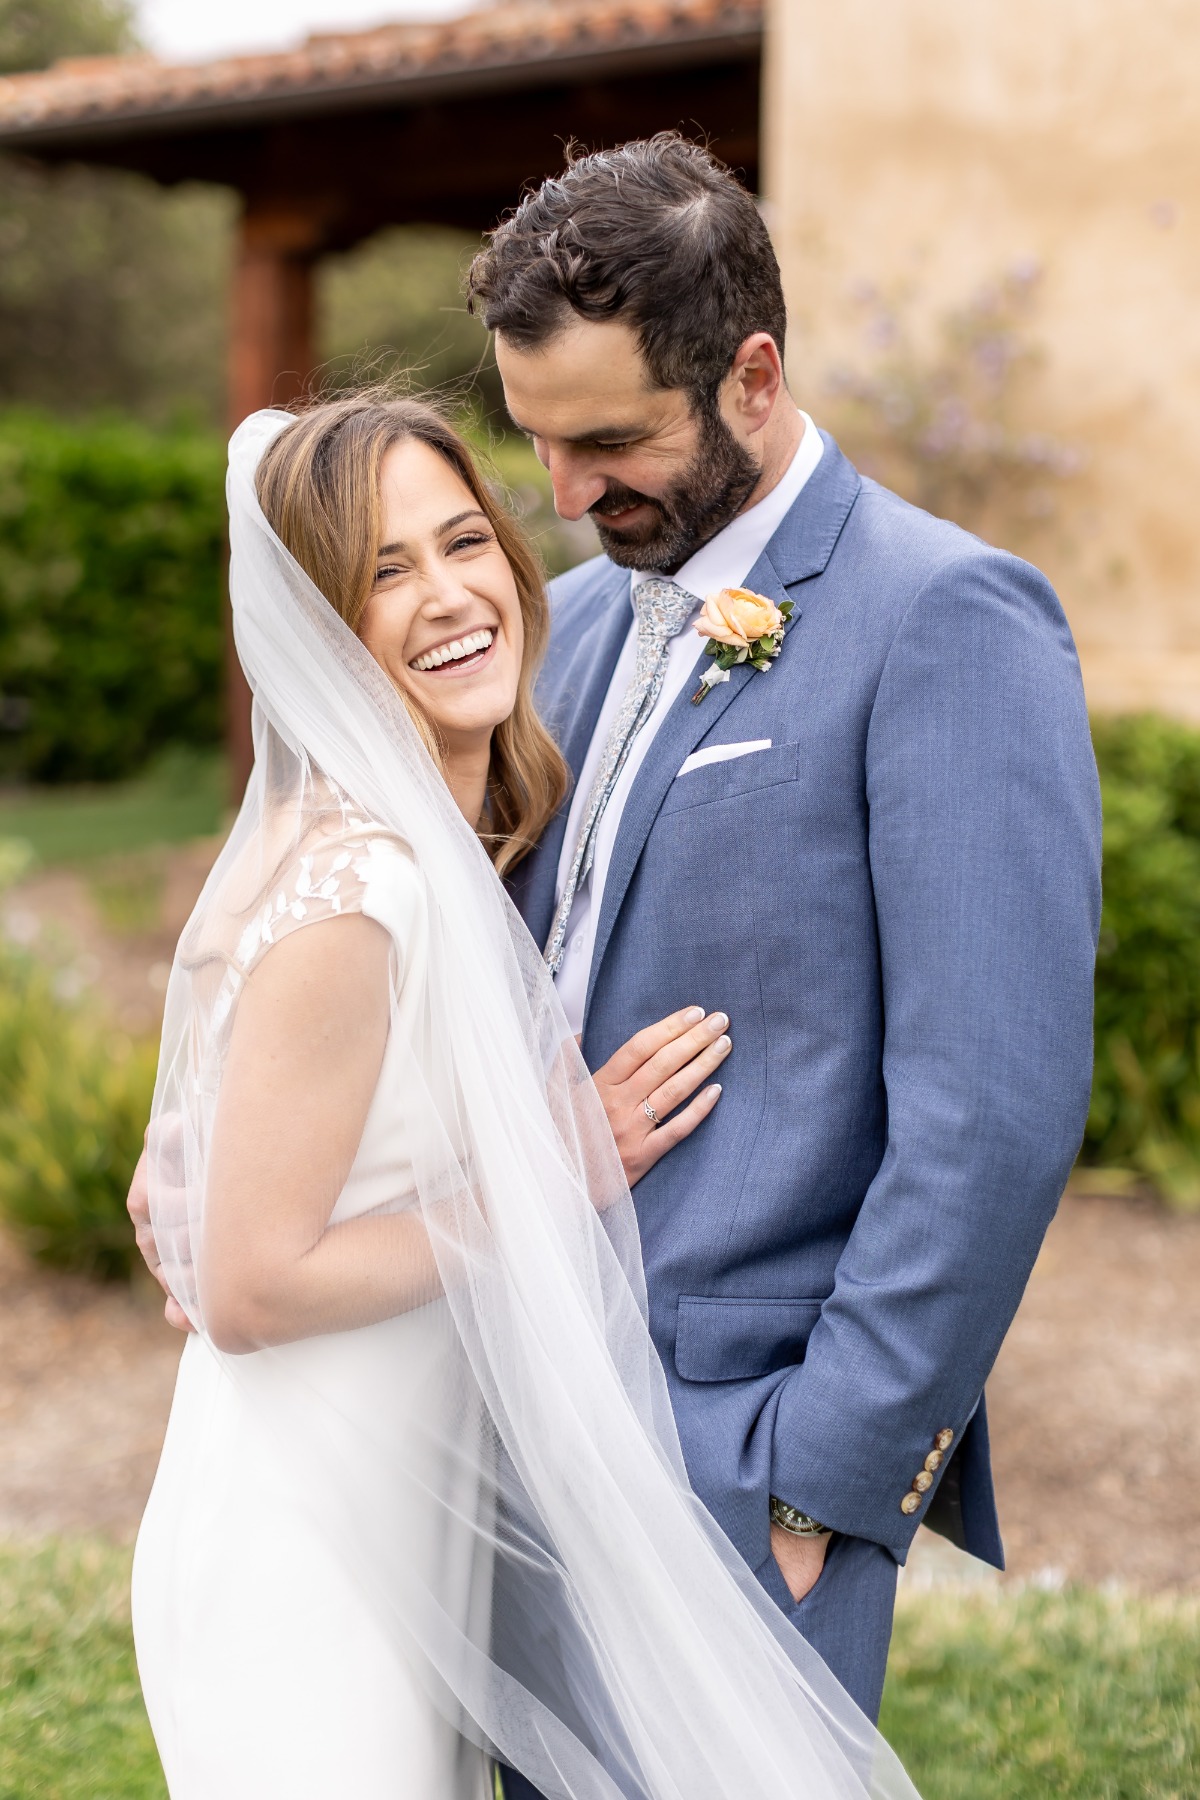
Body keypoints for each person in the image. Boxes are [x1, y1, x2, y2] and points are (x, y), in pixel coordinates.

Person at [129, 395, 921, 1798]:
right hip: (306, 1549)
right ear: (318, 625)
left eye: (462, 542)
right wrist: (561, 1168)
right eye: (383, 573)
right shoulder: (357, 888)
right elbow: (248, 1287)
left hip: (413, 1521)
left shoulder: (445, 833)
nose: (450, 596)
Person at [460, 133, 1102, 1797]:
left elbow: (992, 1106)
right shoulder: (578, 618)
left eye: (610, 442)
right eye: (536, 442)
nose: (565, 497)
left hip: (736, 1447)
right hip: (511, 1409)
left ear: (752, 376)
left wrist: (825, 1472)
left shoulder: (948, 618)